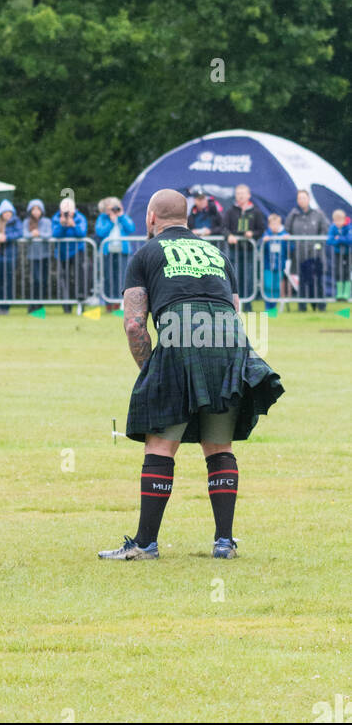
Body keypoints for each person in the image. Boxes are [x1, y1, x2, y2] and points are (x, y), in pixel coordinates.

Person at [99, 188, 283, 562]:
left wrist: (151, 369)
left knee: (160, 444)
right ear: (187, 219)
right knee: (218, 443)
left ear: (151, 218)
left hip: (180, 340)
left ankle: (146, 544)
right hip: (230, 345)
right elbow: (233, 309)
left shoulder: (145, 254)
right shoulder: (218, 254)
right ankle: (224, 543)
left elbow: (134, 325)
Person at [285, 189, 329, 311]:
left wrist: (318, 244)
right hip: (300, 255)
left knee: (317, 280)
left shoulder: (318, 214)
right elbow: (287, 230)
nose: (301, 200)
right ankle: (302, 307)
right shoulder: (293, 215)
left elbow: (325, 230)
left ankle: (320, 306)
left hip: (316, 255)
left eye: (304, 198)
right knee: (303, 281)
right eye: (299, 198)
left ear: (308, 199)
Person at [222, 184, 265, 303]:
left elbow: (261, 230)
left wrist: (252, 234)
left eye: (242, 193)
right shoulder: (230, 211)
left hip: (249, 251)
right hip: (234, 250)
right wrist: (229, 235)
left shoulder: (256, 211)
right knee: (235, 277)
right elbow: (224, 228)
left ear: (248, 195)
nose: (240, 196)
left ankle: (248, 304)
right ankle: (235, 303)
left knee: (249, 278)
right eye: (238, 193)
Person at [95, 197, 136, 306]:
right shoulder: (102, 218)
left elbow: (131, 228)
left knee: (121, 277)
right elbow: (100, 232)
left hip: (122, 252)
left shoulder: (123, 217)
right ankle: (109, 303)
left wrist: (121, 216)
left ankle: (119, 303)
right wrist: (111, 222)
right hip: (107, 252)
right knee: (108, 278)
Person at [51, 196, 89, 312]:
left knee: (79, 278)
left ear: (74, 209)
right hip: (61, 254)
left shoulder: (80, 218)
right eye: (64, 210)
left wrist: (73, 225)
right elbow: (55, 234)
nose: (67, 213)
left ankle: (80, 304)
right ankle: (66, 307)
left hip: (77, 251)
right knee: (64, 279)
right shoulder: (56, 218)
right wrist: (63, 225)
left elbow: (82, 233)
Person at [23, 198, 52, 312]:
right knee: (35, 280)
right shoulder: (26, 222)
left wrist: (39, 234)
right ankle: (33, 303)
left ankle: (40, 303)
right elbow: (24, 234)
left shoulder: (47, 222)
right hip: (32, 256)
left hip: (44, 255)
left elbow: (49, 234)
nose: (36, 211)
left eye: (38, 209)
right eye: (33, 209)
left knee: (43, 280)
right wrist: (32, 234)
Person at [261, 213, 289, 311]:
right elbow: (259, 247)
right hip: (268, 266)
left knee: (277, 287)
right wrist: (263, 242)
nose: (275, 226)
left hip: (280, 266)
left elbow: (291, 249)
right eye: (272, 224)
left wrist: (288, 241)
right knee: (268, 286)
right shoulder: (266, 235)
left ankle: (274, 307)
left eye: (277, 224)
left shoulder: (284, 235)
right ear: (269, 225)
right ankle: (268, 307)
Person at [327, 209, 352, 302]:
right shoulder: (333, 227)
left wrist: (339, 238)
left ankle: (346, 293)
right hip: (338, 253)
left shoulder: (349, 227)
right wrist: (340, 240)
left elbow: (350, 240)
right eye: (335, 221)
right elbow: (329, 240)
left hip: (348, 253)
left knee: (346, 272)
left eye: (339, 220)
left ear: (344, 219)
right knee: (338, 272)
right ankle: (339, 293)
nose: (337, 223)